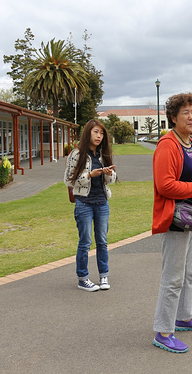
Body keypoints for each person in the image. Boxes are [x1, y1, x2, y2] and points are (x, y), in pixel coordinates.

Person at [151, 92, 192, 353]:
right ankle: (163, 330)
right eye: (185, 113)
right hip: (175, 219)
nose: (191, 117)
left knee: (190, 271)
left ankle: (184, 316)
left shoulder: (189, 142)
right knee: (173, 277)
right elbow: (165, 185)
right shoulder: (168, 145)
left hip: (191, 218)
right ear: (173, 117)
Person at [64, 119, 117, 292]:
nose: (99, 136)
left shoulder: (103, 154)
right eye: (96, 132)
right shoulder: (77, 154)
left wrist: (108, 174)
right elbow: (69, 180)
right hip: (84, 204)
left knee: (102, 241)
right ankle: (83, 278)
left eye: (101, 133)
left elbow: (111, 180)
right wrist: (89, 175)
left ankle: (104, 276)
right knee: (85, 242)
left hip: (102, 203)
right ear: (88, 133)